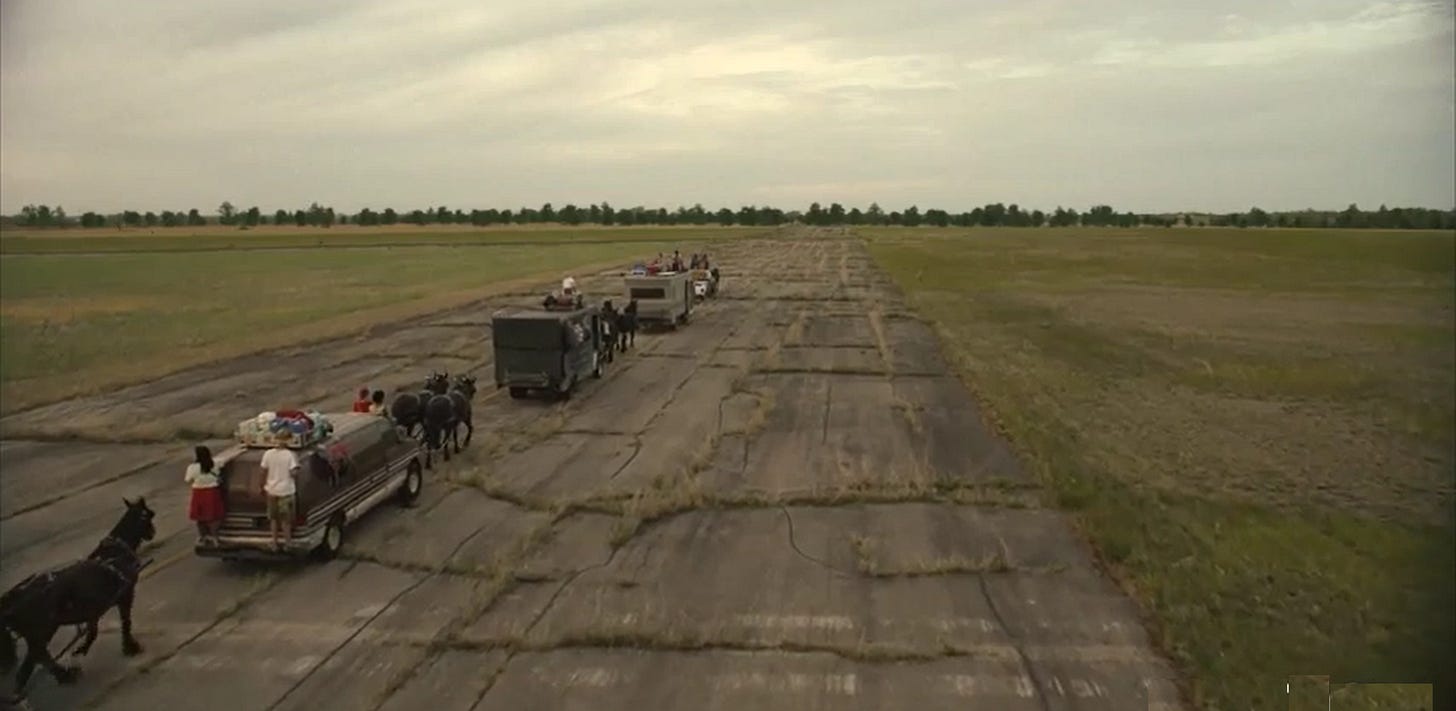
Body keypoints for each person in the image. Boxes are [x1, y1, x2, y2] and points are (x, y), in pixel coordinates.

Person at [260, 431, 300, 551]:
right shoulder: (290, 455)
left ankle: (274, 543)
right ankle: (288, 543)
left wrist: (262, 486)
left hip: (271, 491)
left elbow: (262, 471)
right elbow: (294, 473)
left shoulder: (267, 454)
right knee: (285, 520)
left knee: (273, 519)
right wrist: (297, 469)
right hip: (286, 491)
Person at [185, 445, 225, 544]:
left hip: (198, 493)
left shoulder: (192, 467)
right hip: (212, 492)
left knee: (200, 517)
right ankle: (215, 537)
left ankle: (202, 536)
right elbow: (224, 461)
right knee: (214, 517)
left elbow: (187, 480)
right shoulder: (215, 464)